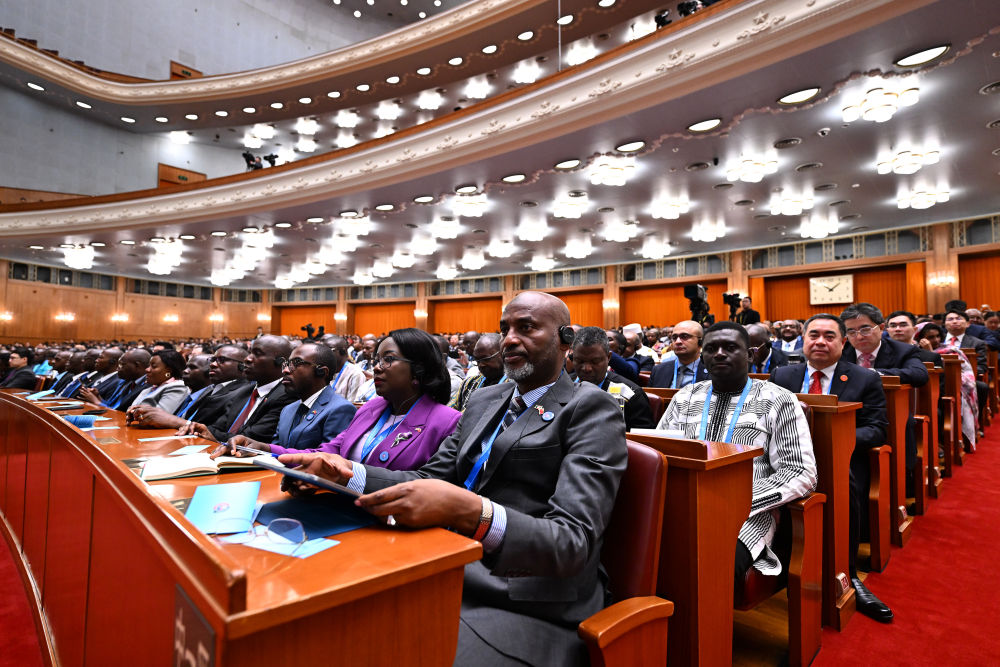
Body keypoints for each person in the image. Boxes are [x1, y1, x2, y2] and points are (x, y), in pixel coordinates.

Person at [275, 292, 627, 665]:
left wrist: (471, 512)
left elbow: (572, 541)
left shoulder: (591, 407)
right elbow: (427, 478)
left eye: (526, 328)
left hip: (526, 597)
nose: (509, 339)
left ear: (565, 340)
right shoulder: (486, 399)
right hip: (442, 563)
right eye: (504, 328)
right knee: (318, 616)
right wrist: (345, 475)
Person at [657, 321, 816, 582]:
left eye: (730, 347)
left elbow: (800, 471)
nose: (719, 353)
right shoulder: (684, 397)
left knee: (709, 563)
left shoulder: (779, 399)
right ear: (703, 356)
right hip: (682, 507)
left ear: (751, 355)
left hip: (745, 517)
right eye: (711, 348)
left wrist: (735, 502)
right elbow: (660, 453)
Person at [770, 314, 893, 622]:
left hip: (843, 460)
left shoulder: (865, 378)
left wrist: (830, 439)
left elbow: (877, 429)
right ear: (803, 339)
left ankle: (846, 572)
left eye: (829, 336)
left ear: (843, 341)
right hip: (785, 459)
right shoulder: (783, 375)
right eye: (813, 335)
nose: (820, 342)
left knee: (843, 482)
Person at [224, 329, 460, 471]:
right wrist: (265, 449)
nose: (376, 368)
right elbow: (326, 451)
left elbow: (429, 483)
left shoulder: (447, 421)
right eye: (376, 360)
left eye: (387, 359)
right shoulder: (373, 408)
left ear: (419, 369)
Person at [208, 343, 356, 452]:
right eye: (286, 364)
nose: (285, 370)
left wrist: (265, 448)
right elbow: (276, 449)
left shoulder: (340, 409)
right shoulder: (288, 409)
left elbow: (328, 458)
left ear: (321, 372)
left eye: (295, 364)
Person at [179, 335, 297, 443]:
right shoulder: (244, 391)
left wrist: (212, 434)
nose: (247, 359)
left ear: (281, 362)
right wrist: (202, 429)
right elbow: (217, 427)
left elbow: (250, 437)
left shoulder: (287, 395)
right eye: (250, 353)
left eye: (257, 353)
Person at [572, 326, 655, 431]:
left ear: (609, 357)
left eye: (595, 361)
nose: (586, 368)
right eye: (579, 361)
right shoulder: (562, 387)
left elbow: (642, 441)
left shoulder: (631, 394)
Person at [917, 323, 978, 449]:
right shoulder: (914, 352)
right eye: (931, 337)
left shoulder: (951, 350)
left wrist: (930, 353)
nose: (936, 340)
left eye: (938, 336)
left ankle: (938, 444)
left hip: (945, 390)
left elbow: (963, 375)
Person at [79, 348, 151, 410]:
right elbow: (113, 406)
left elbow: (120, 412)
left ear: (137, 365)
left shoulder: (148, 386)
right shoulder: (130, 383)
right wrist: (98, 397)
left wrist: (96, 402)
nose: (117, 369)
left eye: (122, 364)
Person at [124, 349, 189, 414]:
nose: (147, 369)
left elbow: (159, 417)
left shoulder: (178, 387)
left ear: (168, 371)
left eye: (153, 366)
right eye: (149, 366)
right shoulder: (151, 387)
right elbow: (130, 411)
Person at [452, 333, 506, 411]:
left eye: (486, 359)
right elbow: (451, 411)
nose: (481, 365)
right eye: (477, 360)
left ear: (502, 353)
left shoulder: (515, 386)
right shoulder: (469, 383)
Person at [649, 320, 709, 388]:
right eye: (674, 338)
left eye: (684, 336)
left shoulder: (713, 372)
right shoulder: (658, 370)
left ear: (701, 342)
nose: (677, 342)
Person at [322, 335, 367, 402]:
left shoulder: (355, 374)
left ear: (343, 351)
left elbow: (353, 406)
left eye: (329, 350)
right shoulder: (323, 371)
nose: (324, 354)